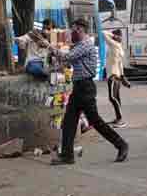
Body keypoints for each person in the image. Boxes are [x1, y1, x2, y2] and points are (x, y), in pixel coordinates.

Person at [51, 19, 128, 166]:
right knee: (68, 122)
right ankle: (67, 155)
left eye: (73, 30)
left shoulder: (85, 45)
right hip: (79, 87)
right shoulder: (79, 45)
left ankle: (121, 145)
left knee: (95, 122)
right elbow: (68, 61)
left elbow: (67, 57)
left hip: (86, 88)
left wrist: (49, 47)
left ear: (80, 30)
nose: (71, 33)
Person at [102, 29, 130, 127]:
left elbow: (104, 33)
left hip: (113, 76)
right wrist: (122, 76)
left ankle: (121, 120)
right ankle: (118, 118)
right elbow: (120, 64)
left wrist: (113, 36)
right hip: (116, 75)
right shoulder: (118, 47)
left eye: (116, 35)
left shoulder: (114, 44)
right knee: (116, 97)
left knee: (112, 97)